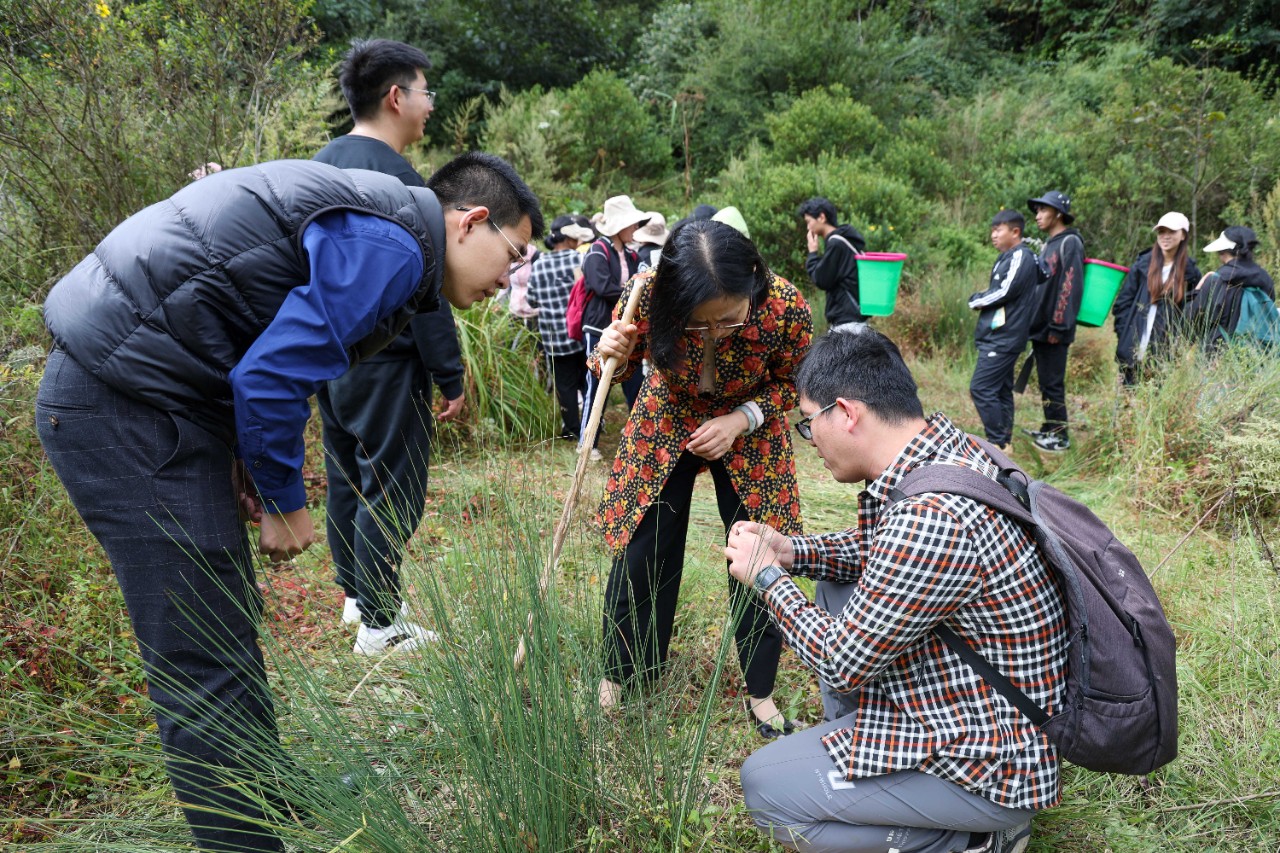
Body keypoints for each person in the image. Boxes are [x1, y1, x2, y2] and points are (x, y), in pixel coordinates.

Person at [37, 154, 543, 852]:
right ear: (471, 222)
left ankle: (269, 791)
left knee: (224, 616)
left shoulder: (391, 225)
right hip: (121, 399)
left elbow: (252, 331)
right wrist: (284, 501)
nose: (508, 278)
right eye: (513, 255)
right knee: (199, 651)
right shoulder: (396, 242)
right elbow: (270, 375)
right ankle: (244, 839)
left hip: (151, 388)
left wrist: (246, 456)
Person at [724, 325, 1067, 853]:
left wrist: (768, 577)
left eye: (808, 423)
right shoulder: (946, 451)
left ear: (846, 412)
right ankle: (867, 751)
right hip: (994, 709)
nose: (809, 441)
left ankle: (976, 841)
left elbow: (840, 661)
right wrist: (791, 551)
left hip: (995, 765)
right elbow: (881, 554)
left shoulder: (932, 516)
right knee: (838, 586)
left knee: (766, 788)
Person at [591, 219, 814, 738]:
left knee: (759, 550)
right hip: (667, 415)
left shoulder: (784, 306)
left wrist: (740, 420)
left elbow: (796, 381)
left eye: (730, 319)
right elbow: (613, 371)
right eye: (700, 323)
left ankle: (761, 692)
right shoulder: (647, 294)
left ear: (753, 281)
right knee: (643, 547)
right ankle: (622, 674)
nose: (715, 333)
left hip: (749, 424)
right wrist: (610, 354)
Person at [312, 38, 468, 652]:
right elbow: (424, 290)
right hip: (387, 360)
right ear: (396, 97)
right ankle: (381, 625)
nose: (431, 105)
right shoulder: (399, 180)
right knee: (392, 485)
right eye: (427, 92)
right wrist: (449, 374)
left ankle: (356, 597)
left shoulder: (320, 165)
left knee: (346, 474)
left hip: (327, 357)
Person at [579, 194, 650, 459]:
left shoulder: (630, 254)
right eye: (631, 224)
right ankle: (587, 442)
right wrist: (631, 294)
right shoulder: (597, 251)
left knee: (634, 381)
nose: (635, 228)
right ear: (619, 226)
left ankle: (639, 437)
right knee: (597, 383)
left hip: (626, 330)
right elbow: (601, 286)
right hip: (599, 327)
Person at [968, 209, 1039, 450]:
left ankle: (997, 443)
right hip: (1000, 334)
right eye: (992, 230)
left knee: (981, 388)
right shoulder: (1006, 257)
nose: (993, 235)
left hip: (1005, 336)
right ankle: (1004, 442)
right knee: (1000, 389)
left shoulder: (1021, 256)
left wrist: (976, 300)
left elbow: (1005, 291)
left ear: (1015, 232)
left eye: (998, 230)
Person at [1021, 191, 1084, 453]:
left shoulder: (1070, 242)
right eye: (1037, 211)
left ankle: (1060, 437)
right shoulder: (1050, 243)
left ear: (1058, 213)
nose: (1038, 216)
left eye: (1043, 210)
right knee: (1046, 382)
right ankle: (1049, 428)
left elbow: (1070, 285)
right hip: (1041, 327)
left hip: (1055, 329)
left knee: (1054, 383)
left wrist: (1059, 325)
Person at [1112, 211, 1201, 385]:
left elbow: (1194, 315)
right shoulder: (1142, 265)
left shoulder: (1190, 273)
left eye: (1171, 231)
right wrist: (1126, 336)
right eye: (1161, 231)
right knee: (1128, 399)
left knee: (1157, 399)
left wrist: (1178, 347)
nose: (1165, 236)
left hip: (1164, 358)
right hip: (1132, 352)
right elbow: (1122, 304)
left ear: (1183, 235)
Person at [529, 215, 595, 439]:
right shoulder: (579, 259)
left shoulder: (539, 264)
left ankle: (571, 429)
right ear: (569, 239)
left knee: (564, 385)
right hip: (579, 334)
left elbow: (531, 300)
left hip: (554, 337)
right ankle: (592, 424)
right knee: (587, 381)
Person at [1186, 225, 1277, 350]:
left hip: (1219, 353)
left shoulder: (1217, 279)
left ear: (1222, 252)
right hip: (1259, 352)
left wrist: (1197, 291)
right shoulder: (1265, 278)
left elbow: (1192, 320)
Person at [799, 197, 867, 330]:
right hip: (854, 318)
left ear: (821, 217)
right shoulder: (845, 239)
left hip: (847, 321)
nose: (808, 227)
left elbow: (822, 280)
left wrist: (812, 253)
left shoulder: (836, 244)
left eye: (809, 221)